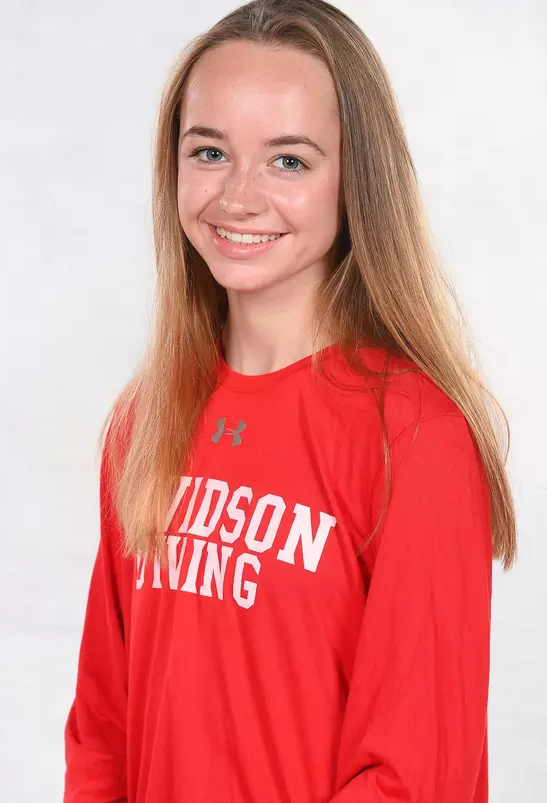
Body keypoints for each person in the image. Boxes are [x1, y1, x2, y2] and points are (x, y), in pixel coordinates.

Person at [63, 1, 517, 801]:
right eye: (209, 151)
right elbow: (103, 729)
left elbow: (411, 778)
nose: (238, 197)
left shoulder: (412, 436)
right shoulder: (147, 419)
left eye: (288, 161)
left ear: (355, 180)